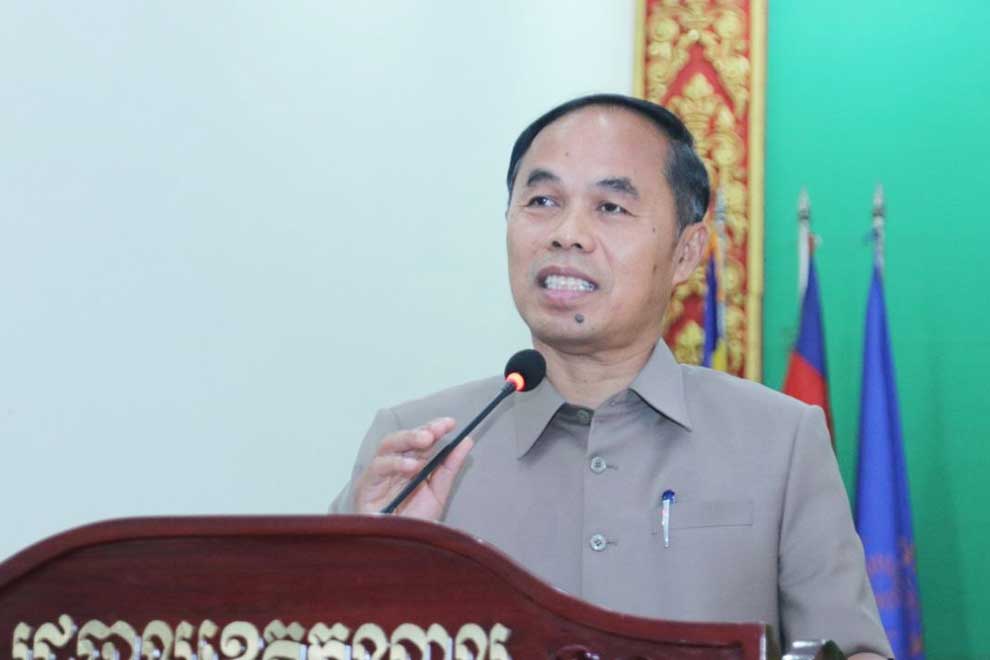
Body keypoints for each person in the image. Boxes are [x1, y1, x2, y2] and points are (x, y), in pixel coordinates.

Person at [331, 94, 892, 659]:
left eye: (611, 207)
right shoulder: (419, 450)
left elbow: (855, 650)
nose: (567, 233)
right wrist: (372, 561)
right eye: (542, 201)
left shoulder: (780, 441)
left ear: (686, 252)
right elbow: (311, 639)